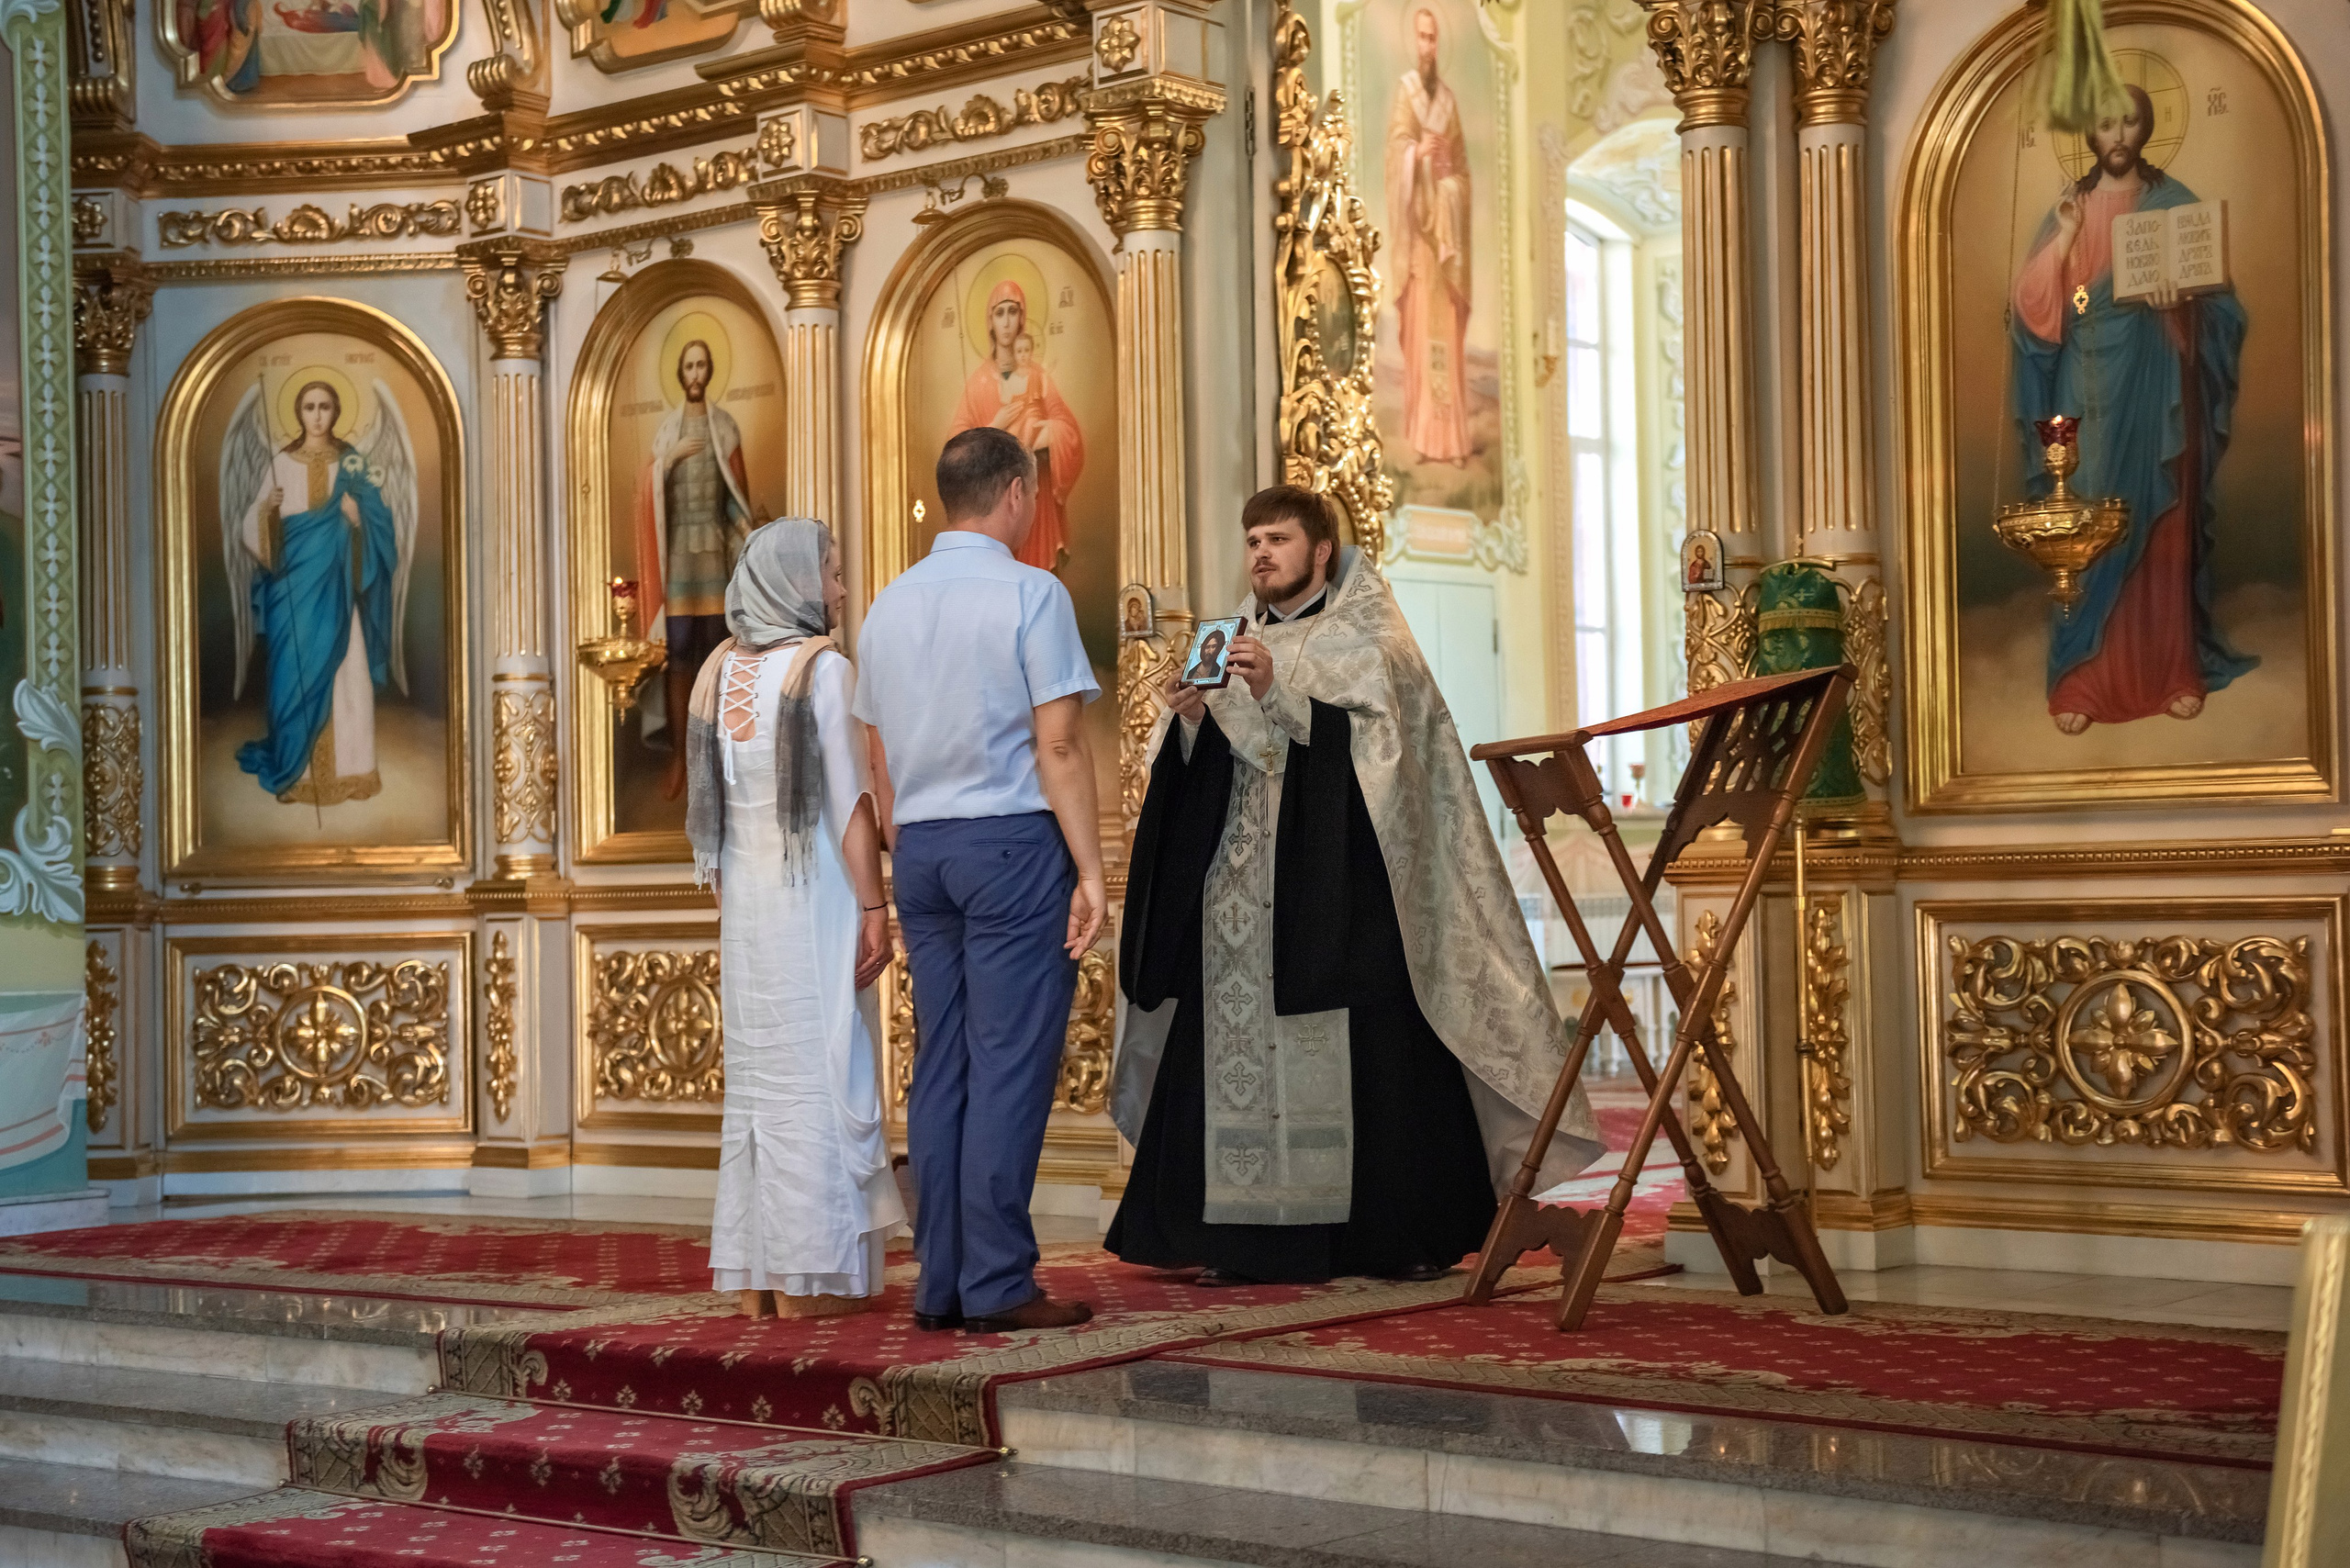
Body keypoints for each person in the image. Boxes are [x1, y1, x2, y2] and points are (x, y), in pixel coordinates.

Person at [1107, 485, 1599, 1285]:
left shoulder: (1372, 641)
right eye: (1252, 540)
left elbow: (1392, 765)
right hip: (1235, 904)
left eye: (1277, 539)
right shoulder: (1223, 640)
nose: (1261, 553)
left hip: (1337, 898)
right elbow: (1193, 785)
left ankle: (1378, 1236)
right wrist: (1192, 720)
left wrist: (1281, 696)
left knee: (1367, 1055)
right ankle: (1236, 1237)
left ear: (1320, 553)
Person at [855, 426, 1106, 1334]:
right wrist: (1091, 868)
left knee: (946, 1062)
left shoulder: (886, 606)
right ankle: (998, 1282)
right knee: (1008, 1064)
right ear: (1011, 492)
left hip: (920, 847)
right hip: (1009, 844)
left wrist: (899, 855)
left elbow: (874, 757)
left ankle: (941, 1281)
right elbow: (1060, 743)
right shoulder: (1030, 592)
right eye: (1031, 494)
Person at [688, 518, 904, 1320]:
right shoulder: (825, 672)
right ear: (795, 583)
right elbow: (851, 808)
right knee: (821, 1065)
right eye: (833, 572)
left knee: (760, 1079)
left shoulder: (713, 671)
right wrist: (875, 906)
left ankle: (758, 1280)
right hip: (813, 899)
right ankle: (817, 1280)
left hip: (746, 907)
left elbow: (712, 818)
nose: (842, 589)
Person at [2009, 83, 2249, 734]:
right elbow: (2032, 309)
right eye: (2106, 124)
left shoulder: (2174, 205)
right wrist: (2062, 241)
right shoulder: (2071, 207)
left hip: (2154, 377)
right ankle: (2081, 679)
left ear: (2145, 130)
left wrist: (2184, 303)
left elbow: (2223, 305)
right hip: (2086, 387)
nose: (2117, 135)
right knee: (2083, 520)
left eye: (2130, 123)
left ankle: (2172, 670)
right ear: (2092, 135)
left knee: (2158, 514)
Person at [636, 338, 756, 798]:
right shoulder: (667, 434)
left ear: (709, 372)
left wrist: (747, 527)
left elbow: (733, 499)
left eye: (702, 365)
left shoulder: (725, 428)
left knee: (717, 654)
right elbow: (645, 498)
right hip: (678, 564)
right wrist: (667, 463)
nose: (694, 373)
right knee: (678, 657)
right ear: (679, 374)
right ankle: (681, 760)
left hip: (715, 559)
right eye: (688, 366)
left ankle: (718, 757)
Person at [1386, 6, 1474, 467]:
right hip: (1421, 241)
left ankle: (1452, 442)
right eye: (1421, 38)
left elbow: (1462, 172)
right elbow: (1395, 150)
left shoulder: (1450, 104)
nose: (1427, 47)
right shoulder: (1406, 93)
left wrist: (1447, 179)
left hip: (1447, 246)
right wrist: (1416, 154)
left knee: (1447, 343)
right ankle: (1424, 438)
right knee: (1422, 339)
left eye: (1433, 38)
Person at [947, 283, 1084, 573]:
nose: (1007, 321)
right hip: (993, 509)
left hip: (1036, 501)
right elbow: (954, 452)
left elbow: (1068, 431)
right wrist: (993, 427)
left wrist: (1047, 435)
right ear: (990, 322)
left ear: (1022, 318)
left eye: (1013, 312)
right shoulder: (978, 384)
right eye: (1000, 313)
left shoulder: (1038, 376)